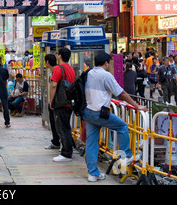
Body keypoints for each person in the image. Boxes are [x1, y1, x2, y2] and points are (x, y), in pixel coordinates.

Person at [83, 52, 148, 182]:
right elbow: (121, 93)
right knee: (122, 126)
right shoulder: (106, 75)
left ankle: (92, 174)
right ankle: (127, 155)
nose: (110, 66)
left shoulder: (90, 73)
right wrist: (136, 106)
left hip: (89, 111)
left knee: (91, 143)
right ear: (106, 63)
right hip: (100, 113)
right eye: (110, 63)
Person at [49, 47, 75, 162]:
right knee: (66, 127)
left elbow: (53, 85)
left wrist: (51, 101)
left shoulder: (58, 69)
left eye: (57, 54)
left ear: (59, 56)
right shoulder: (71, 69)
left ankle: (66, 153)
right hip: (68, 102)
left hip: (60, 102)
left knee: (62, 128)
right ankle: (66, 150)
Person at [44, 54, 61, 150]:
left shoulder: (56, 70)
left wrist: (51, 101)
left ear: (47, 62)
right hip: (54, 101)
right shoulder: (53, 71)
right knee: (53, 122)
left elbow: (54, 86)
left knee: (56, 123)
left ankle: (58, 142)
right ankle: (56, 141)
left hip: (55, 102)